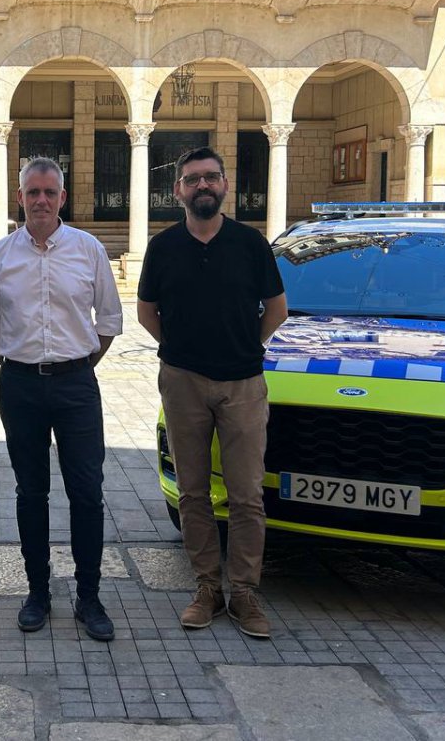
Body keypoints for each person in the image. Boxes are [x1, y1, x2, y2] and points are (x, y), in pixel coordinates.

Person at [136, 148, 287, 638]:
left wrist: (242, 346)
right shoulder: (163, 248)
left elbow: (277, 309)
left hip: (243, 382)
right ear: (178, 191)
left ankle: (243, 592)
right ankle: (207, 587)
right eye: (192, 179)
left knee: (246, 495)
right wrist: (181, 349)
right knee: (193, 492)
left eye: (211, 177)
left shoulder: (250, 244)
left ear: (225, 186)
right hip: (182, 382)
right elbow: (146, 312)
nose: (202, 185)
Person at [0, 157, 123, 642]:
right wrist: (23, 367)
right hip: (19, 386)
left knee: (86, 492)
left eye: (50, 192)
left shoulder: (89, 250)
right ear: (19, 197)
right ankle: (37, 593)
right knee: (30, 492)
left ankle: (89, 596)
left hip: (77, 385)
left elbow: (108, 319)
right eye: (32, 192)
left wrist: (75, 366)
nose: (41, 200)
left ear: (63, 198)